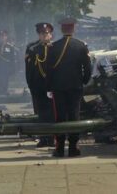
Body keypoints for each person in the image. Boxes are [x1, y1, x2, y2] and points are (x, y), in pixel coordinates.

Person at [46, 17, 92, 157]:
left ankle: (59, 148)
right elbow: (88, 68)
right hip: (75, 87)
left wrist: (50, 86)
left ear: (61, 29)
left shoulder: (53, 47)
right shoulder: (81, 46)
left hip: (58, 88)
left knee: (59, 117)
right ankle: (73, 147)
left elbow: (48, 70)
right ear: (74, 29)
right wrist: (83, 81)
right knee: (74, 116)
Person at [24, 22, 55, 147]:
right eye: (42, 34)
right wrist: (31, 86)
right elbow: (29, 69)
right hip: (38, 86)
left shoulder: (55, 47)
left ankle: (52, 138)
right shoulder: (32, 48)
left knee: (52, 113)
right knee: (41, 113)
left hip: (52, 86)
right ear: (39, 35)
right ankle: (43, 138)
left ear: (50, 34)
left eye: (46, 33)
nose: (45, 36)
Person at [0, 30, 18, 96]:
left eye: (4, 36)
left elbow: (13, 60)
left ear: (6, 37)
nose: (2, 37)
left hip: (6, 70)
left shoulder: (10, 47)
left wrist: (13, 70)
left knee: (5, 84)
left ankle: (5, 97)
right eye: (1, 36)